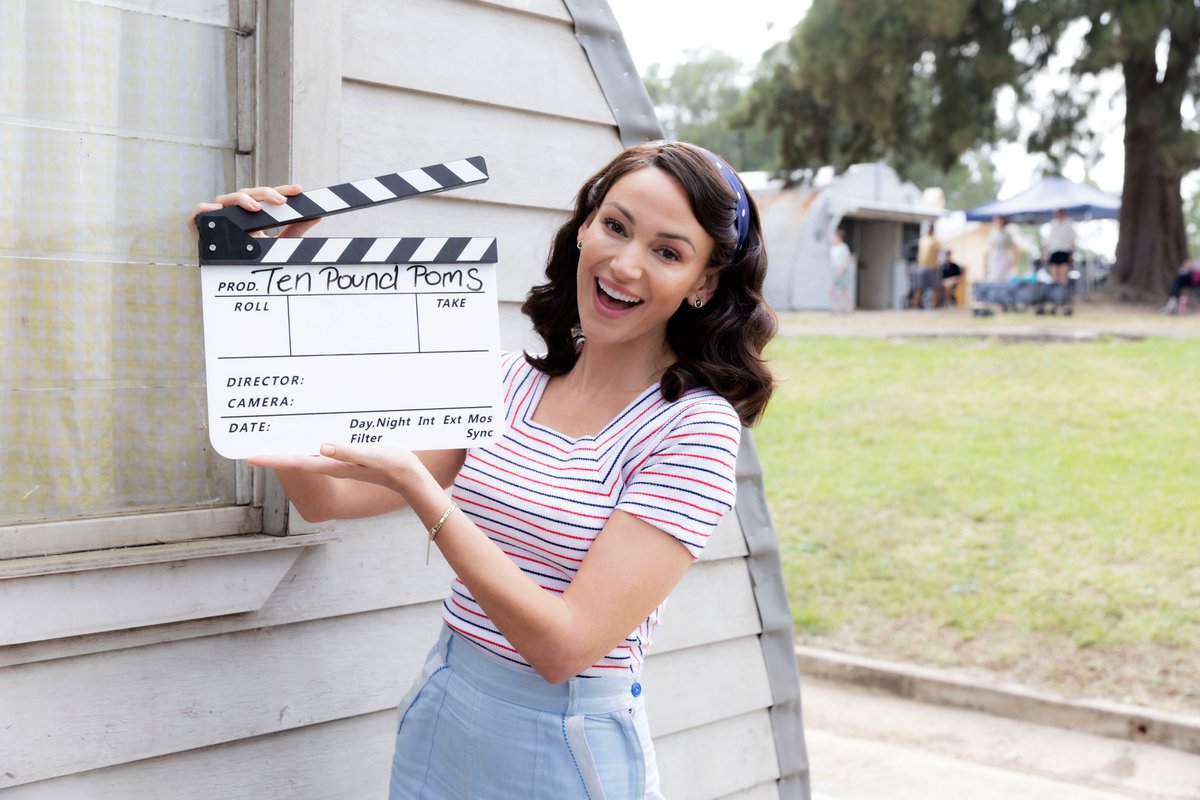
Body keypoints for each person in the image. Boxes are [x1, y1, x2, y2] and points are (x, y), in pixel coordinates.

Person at [189, 141, 775, 799]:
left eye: (667, 252)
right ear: (585, 227)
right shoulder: (505, 383)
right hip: (444, 703)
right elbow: (326, 498)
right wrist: (252, 284)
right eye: (615, 226)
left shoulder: (692, 430)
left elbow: (563, 647)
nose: (625, 263)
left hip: (565, 742)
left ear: (704, 282)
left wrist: (424, 493)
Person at [910, 221, 941, 308]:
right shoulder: (923, 240)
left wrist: (936, 264)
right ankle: (915, 305)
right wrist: (917, 265)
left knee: (934, 288)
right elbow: (919, 253)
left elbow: (938, 253)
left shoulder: (936, 240)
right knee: (918, 287)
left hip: (931, 267)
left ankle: (934, 306)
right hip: (921, 267)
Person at [829, 227, 853, 314]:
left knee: (844, 290)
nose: (831, 239)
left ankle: (848, 308)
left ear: (838, 237)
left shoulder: (843, 247)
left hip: (841, 270)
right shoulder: (832, 248)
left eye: (833, 237)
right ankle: (837, 307)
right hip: (835, 270)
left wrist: (841, 269)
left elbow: (847, 259)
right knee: (832, 290)